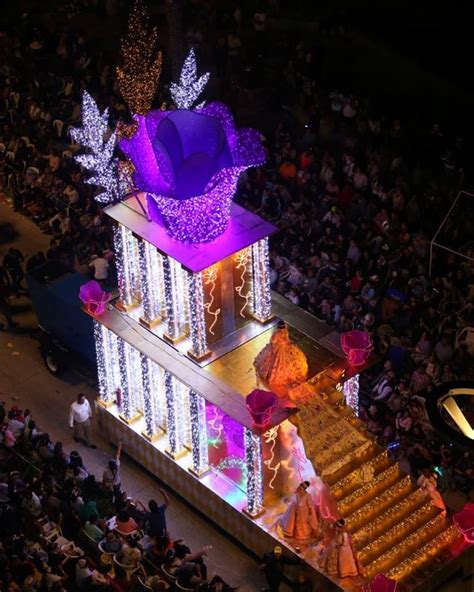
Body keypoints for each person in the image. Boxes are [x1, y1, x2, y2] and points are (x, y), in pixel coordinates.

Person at [254, 320, 308, 394]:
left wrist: (283, 343)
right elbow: (278, 340)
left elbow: (278, 340)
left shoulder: (280, 332)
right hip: (282, 347)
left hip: (282, 347)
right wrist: (280, 344)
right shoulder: (281, 332)